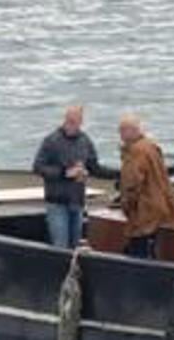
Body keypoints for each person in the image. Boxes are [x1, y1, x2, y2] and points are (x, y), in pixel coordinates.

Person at [31, 105, 117, 249]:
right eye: (69, 121)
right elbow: (38, 167)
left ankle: (73, 270)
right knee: (61, 246)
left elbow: (94, 167)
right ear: (64, 119)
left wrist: (118, 174)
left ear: (80, 122)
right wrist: (64, 173)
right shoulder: (51, 141)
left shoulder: (85, 141)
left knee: (75, 246)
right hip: (57, 202)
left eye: (75, 122)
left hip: (77, 201)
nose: (71, 125)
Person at [115, 114, 174, 259]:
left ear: (129, 131)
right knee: (153, 246)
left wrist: (126, 205)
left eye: (121, 131)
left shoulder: (135, 152)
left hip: (144, 209)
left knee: (138, 249)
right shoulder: (151, 147)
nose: (120, 135)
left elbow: (132, 183)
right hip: (158, 205)